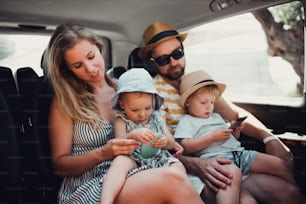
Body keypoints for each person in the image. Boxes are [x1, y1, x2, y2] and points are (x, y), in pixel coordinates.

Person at [138, 20, 303, 203]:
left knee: (290, 194)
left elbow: (234, 114)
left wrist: (269, 138)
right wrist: (197, 164)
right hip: (191, 171)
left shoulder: (196, 82)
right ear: (153, 63)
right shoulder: (152, 94)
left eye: (177, 53)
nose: (173, 62)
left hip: (229, 158)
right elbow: (158, 148)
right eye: (163, 59)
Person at [47, 22, 204, 204]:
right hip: (90, 184)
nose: (90, 68)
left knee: (181, 175)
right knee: (173, 180)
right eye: (77, 65)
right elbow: (60, 166)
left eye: (91, 57)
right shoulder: (65, 101)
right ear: (68, 69)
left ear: (99, 48)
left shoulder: (127, 89)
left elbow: (159, 131)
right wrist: (103, 153)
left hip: (137, 169)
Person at [174, 70, 299, 204]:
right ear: (188, 102)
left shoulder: (216, 117)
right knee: (231, 176)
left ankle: (298, 189)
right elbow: (185, 146)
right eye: (203, 102)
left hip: (239, 154)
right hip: (218, 159)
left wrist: (234, 132)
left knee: (279, 163)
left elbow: (230, 140)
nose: (209, 107)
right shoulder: (187, 121)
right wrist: (210, 138)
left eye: (212, 102)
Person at [100, 68, 187, 204]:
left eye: (147, 108)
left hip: (159, 157)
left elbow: (171, 143)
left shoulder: (157, 117)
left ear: (153, 100)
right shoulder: (121, 119)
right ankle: (106, 200)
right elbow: (119, 144)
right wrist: (132, 135)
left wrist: (164, 142)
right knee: (119, 163)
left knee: (178, 167)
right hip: (133, 159)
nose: (142, 114)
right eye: (134, 110)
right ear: (122, 104)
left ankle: (181, 195)